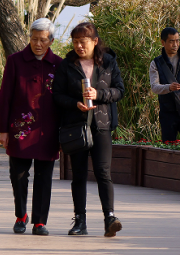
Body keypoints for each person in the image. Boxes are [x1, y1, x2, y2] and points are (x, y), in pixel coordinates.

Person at [52, 21, 125, 237]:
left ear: (94, 41)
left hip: (102, 125)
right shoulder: (67, 65)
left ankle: (109, 218)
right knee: (79, 175)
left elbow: (119, 90)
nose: (79, 46)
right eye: (75, 42)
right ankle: (80, 221)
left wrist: (98, 95)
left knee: (103, 172)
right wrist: (75, 103)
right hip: (76, 126)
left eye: (83, 42)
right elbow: (57, 95)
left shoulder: (108, 62)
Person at [0, 18, 62, 236]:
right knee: (18, 176)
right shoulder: (15, 61)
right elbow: (5, 97)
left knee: (44, 178)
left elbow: (63, 100)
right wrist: (3, 130)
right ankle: (21, 216)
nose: (38, 44)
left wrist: (63, 132)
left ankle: (40, 222)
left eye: (43, 40)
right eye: (34, 39)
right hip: (20, 130)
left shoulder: (59, 64)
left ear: (51, 41)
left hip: (48, 131)